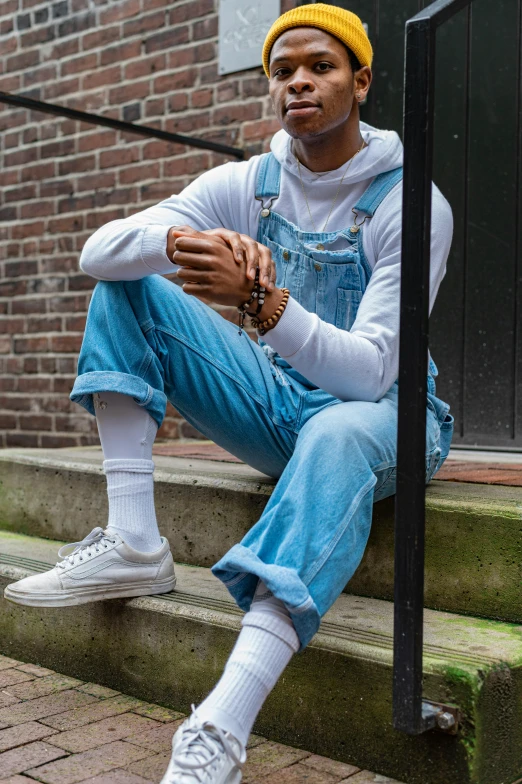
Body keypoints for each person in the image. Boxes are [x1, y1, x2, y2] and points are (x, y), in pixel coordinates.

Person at [4, 4, 454, 781]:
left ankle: (218, 727)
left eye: (322, 66)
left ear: (363, 82)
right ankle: (137, 541)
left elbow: (373, 374)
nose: (300, 83)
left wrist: (263, 307)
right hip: (279, 405)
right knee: (126, 287)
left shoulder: (413, 202)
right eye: (283, 72)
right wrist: (181, 243)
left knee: (339, 432)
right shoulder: (252, 183)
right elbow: (95, 251)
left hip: (390, 418)